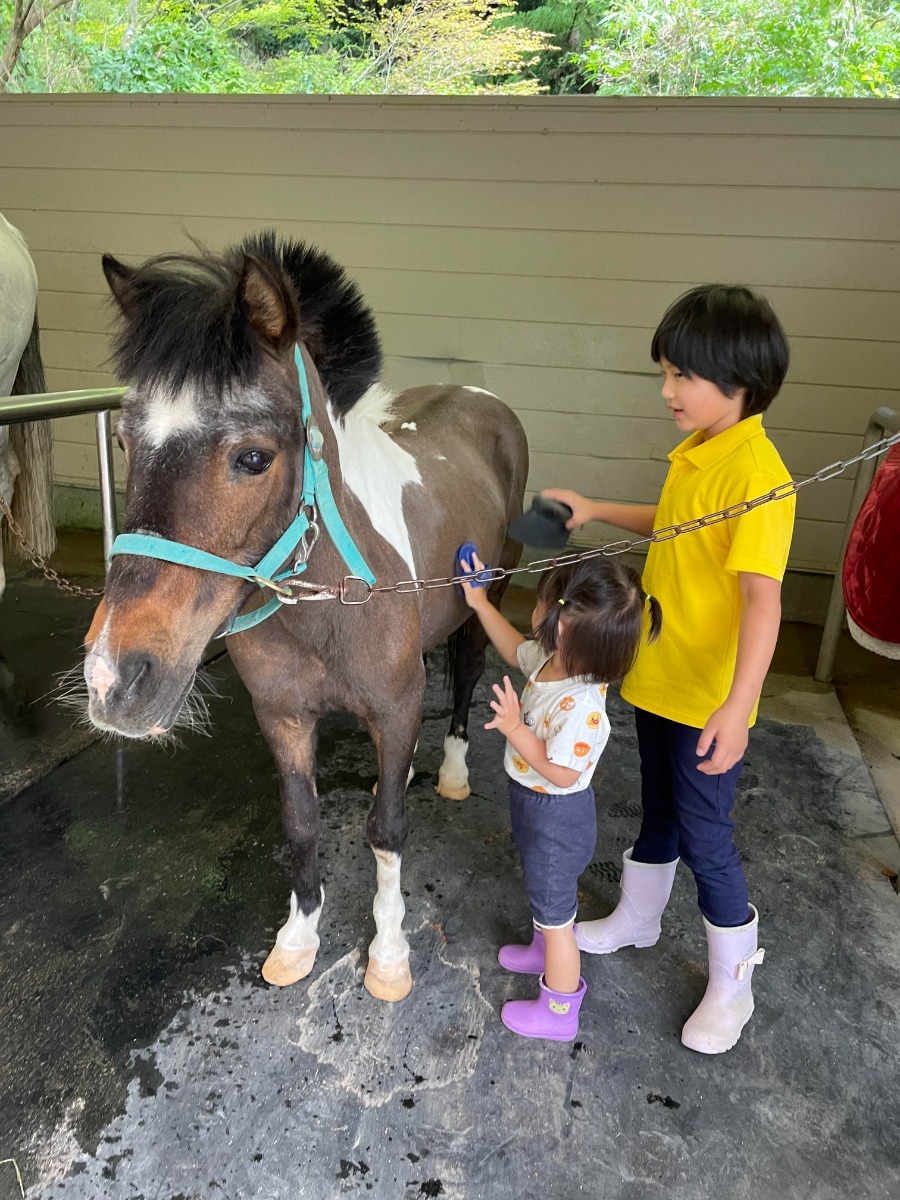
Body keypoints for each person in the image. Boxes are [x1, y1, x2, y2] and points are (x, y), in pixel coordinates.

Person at [544, 283, 795, 1055]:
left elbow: (763, 603)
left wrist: (739, 706)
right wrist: (594, 509)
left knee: (707, 834)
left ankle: (733, 984)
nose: (667, 391)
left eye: (682, 375)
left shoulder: (759, 474)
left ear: (737, 378)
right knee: (658, 809)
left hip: (706, 696)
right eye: (665, 373)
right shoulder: (698, 453)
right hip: (658, 673)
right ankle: (637, 919)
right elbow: (675, 525)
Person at [460, 554, 661, 1042]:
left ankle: (559, 1011)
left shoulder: (583, 707)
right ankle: (543, 945)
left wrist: (515, 729)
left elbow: (559, 770)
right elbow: (514, 648)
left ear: (563, 626)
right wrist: (478, 602)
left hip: (557, 814)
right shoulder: (553, 660)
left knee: (559, 917)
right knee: (545, 896)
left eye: (542, 599)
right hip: (532, 805)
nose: (535, 605)